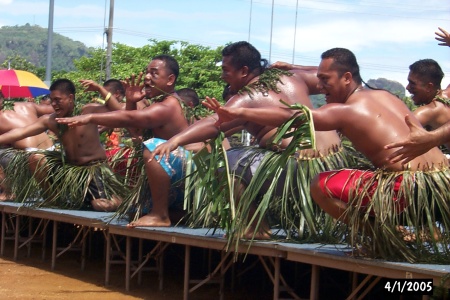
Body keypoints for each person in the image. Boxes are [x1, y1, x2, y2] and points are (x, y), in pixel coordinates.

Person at [207, 48, 450, 260]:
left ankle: (384, 239)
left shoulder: (346, 110)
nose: (320, 86)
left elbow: (294, 116)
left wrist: (242, 114)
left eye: (325, 80)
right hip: (442, 185)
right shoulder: (385, 96)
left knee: (321, 185)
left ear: (346, 77)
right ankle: (410, 230)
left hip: (408, 191)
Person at [150, 42, 350, 240]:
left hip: (299, 170)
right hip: (336, 162)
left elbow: (214, 123)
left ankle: (255, 226)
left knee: (224, 162)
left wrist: (175, 140)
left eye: (226, 70)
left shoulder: (246, 97)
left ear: (244, 71)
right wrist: (293, 67)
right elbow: (328, 74)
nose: (223, 76)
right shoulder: (294, 77)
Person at [56, 55, 201, 226]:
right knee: (134, 213)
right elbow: (136, 130)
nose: (147, 77)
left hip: (191, 175)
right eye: (147, 72)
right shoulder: (160, 103)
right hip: (178, 176)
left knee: (153, 146)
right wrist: (131, 102)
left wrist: (89, 117)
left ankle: (160, 215)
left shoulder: (168, 105)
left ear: (170, 79)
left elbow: (130, 119)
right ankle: (182, 215)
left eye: (154, 73)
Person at [0, 79, 126, 211]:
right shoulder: (51, 120)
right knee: (36, 158)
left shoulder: (87, 112)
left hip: (93, 169)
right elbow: (19, 132)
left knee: (100, 205)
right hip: (69, 169)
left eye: (58, 100)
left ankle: (119, 199)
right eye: (52, 100)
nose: (54, 104)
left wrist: (100, 88)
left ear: (70, 98)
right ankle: (54, 200)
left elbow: (120, 111)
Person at [0, 91, 55, 200]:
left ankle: (8, 191)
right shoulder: (28, 105)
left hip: (30, 153)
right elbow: (55, 110)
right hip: (51, 149)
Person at [406, 59, 450, 151]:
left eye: (412, 83)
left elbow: (398, 133)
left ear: (429, 87)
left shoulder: (428, 111)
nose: (407, 87)